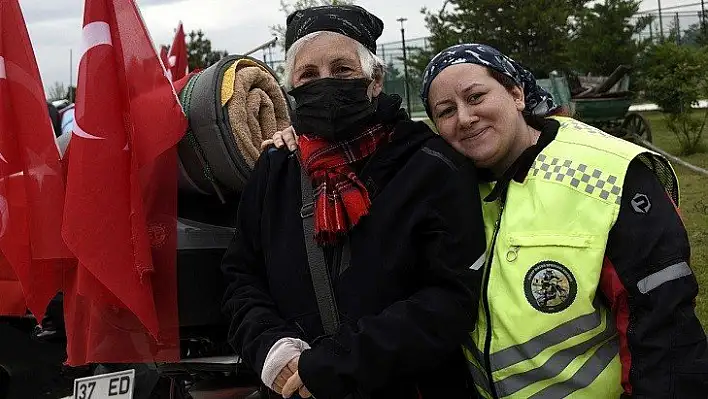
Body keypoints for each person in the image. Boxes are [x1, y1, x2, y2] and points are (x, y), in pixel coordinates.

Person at [268, 43, 708, 398]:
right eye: (445, 111)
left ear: (516, 94)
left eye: (476, 96)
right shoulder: (450, 181)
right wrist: (298, 137)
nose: (465, 117)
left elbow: (665, 333)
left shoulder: (607, 174)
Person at [221, 6, 486, 399]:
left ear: (374, 80)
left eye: (343, 69)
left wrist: (334, 365)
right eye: (308, 74)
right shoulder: (275, 169)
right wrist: (271, 350)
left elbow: (449, 301)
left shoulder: (432, 165)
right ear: (291, 86)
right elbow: (241, 277)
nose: (324, 83)